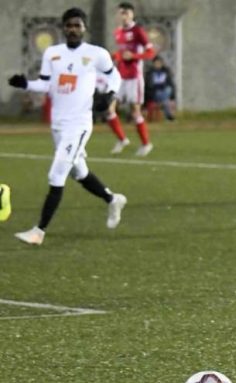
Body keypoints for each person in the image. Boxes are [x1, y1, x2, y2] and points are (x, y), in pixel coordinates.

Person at [7, 7, 127, 246]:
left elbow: (115, 76)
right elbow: (46, 85)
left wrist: (111, 95)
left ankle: (38, 231)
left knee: (56, 174)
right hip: (58, 125)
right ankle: (113, 199)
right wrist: (26, 84)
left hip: (80, 124)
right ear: (63, 28)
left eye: (77, 25)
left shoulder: (96, 54)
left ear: (84, 28)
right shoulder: (52, 53)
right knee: (78, 171)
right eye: (69, 25)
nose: (72, 29)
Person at [107, 2, 155, 156]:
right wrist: (115, 56)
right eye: (121, 13)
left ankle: (146, 144)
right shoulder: (118, 32)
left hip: (134, 77)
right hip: (120, 77)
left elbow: (150, 52)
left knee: (135, 112)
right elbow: (122, 53)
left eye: (126, 13)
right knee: (109, 109)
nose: (123, 16)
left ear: (132, 14)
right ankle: (122, 140)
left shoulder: (138, 31)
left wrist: (134, 56)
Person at [145, 55, 176, 121]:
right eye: (156, 63)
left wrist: (173, 96)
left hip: (165, 92)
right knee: (164, 98)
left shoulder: (166, 72)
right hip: (154, 93)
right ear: (153, 64)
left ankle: (168, 113)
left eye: (159, 63)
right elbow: (148, 86)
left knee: (168, 89)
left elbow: (171, 84)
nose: (157, 64)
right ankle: (169, 117)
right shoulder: (149, 73)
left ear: (162, 63)